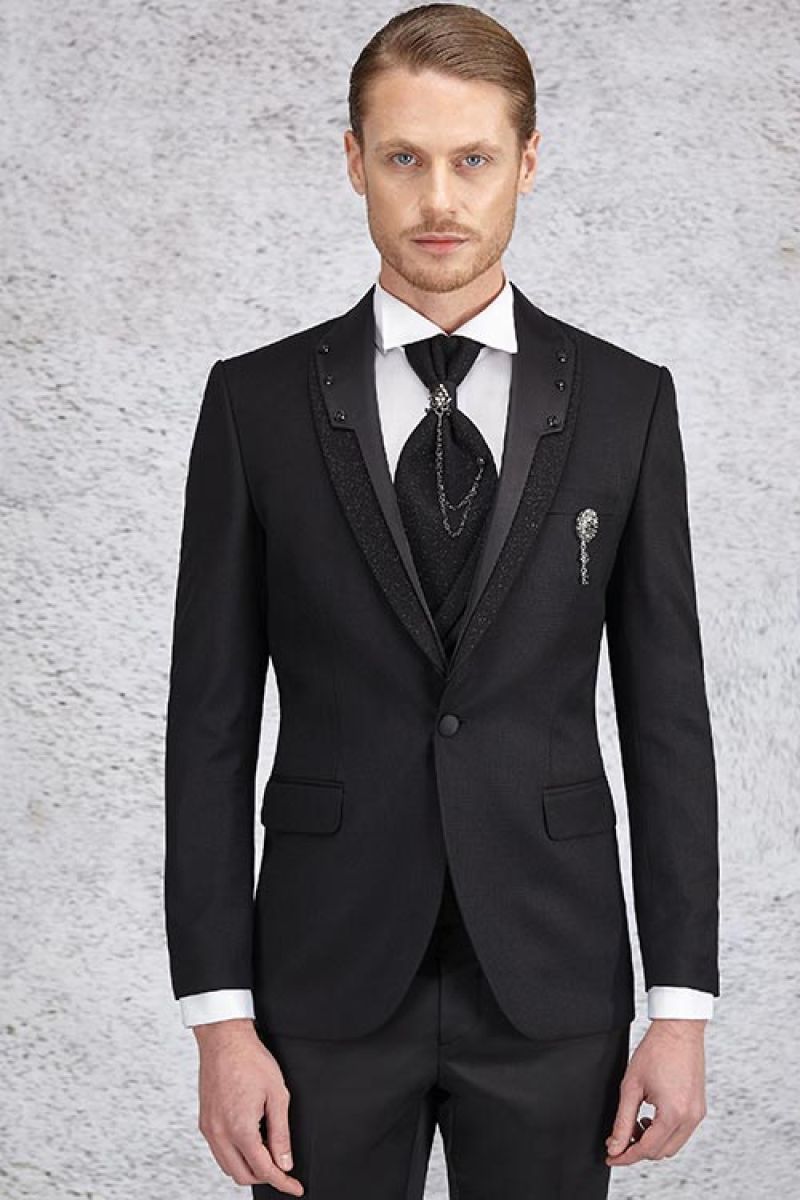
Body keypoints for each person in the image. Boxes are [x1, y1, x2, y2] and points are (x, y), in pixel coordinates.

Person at [163, 5, 720, 1197]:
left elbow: (666, 715)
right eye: (403, 158)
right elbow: (206, 723)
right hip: (319, 977)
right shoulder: (255, 405)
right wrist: (219, 1017)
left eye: (472, 159)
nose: (437, 199)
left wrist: (678, 1007)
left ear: (526, 161)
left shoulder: (625, 403)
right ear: (352, 160)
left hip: (552, 975)